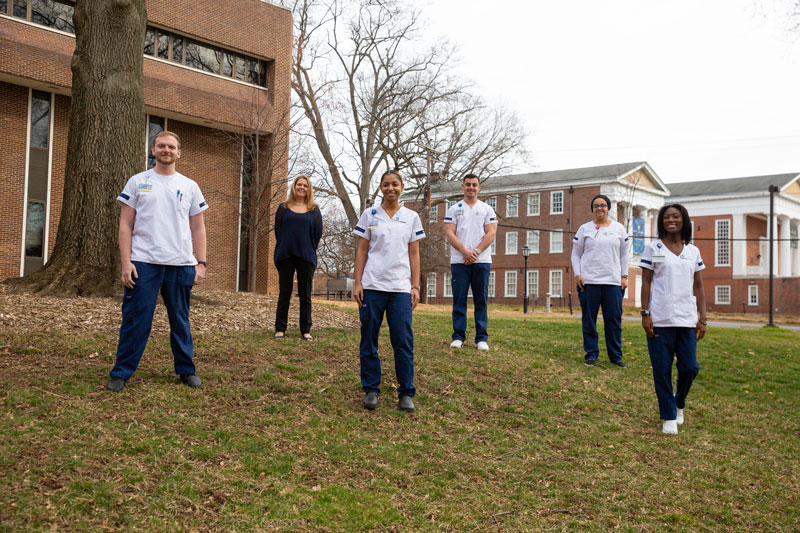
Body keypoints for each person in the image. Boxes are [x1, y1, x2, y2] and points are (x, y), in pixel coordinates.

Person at [106, 131, 208, 392]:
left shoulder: (190, 186)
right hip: (143, 263)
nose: (166, 150)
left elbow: (198, 228)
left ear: (179, 152)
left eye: (171, 147)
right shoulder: (138, 182)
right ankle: (121, 373)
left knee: (180, 321)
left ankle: (186, 370)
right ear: (153, 150)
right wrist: (126, 262)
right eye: (161, 146)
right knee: (136, 320)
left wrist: (201, 262)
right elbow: (125, 224)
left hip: (180, 264)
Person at [353, 170, 425, 412]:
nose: (390, 188)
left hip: (400, 289)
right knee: (369, 338)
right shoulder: (370, 215)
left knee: (403, 340)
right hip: (372, 286)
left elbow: (414, 253)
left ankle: (406, 392)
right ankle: (371, 389)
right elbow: (362, 251)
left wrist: (415, 286)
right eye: (386, 185)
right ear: (381, 188)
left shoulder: (411, 217)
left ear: (402, 187)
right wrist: (358, 282)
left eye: (395, 184)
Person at [640, 203, 706, 435]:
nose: (671, 220)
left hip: (687, 320)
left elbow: (698, 285)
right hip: (660, 319)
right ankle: (668, 416)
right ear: (661, 221)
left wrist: (703, 317)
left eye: (676, 216)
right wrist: (645, 313)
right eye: (666, 217)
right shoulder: (653, 248)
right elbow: (646, 281)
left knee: (690, 367)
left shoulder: (693, 251)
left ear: (684, 220)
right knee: (662, 370)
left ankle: (679, 401)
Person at [571, 194, 631, 367]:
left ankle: (616, 356)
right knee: (589, 320)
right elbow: (576, 253)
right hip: (589, 281)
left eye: (603, 205)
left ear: (608, 208)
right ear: (592, 209)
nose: (600, 208)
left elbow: (623, 254)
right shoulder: (584, 229)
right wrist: (578, 274)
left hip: (613, 282)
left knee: (613, 321)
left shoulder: (619, 229)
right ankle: (591, 354)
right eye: (596, 205)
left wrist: (624, 276)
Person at [443, 174, 497, 351]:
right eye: (468, 185)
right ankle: (458, 336)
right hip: (459, 261)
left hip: (482, 261)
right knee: (459, 299)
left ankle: (481, 338)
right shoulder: (454, 209)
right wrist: (465, 252)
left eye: (474, 185)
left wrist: (476, 252)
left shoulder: (487, 209)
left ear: (479, 187)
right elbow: (450, 233)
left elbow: (491, 233)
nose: (471, 188)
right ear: (462, 186)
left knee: (481, 300)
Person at [273, 176, 323, 341]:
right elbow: (278, 231)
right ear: (294, 187)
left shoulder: (314, 210)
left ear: (309, 189)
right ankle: (280, 328)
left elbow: (317, 234)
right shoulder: (283, 208)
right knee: (284, 293)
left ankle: (306, 330)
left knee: (305, 294)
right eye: (299, 184)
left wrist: (307, 247)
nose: (302, 187)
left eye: (305, 185)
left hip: (306, 256)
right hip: (285, 255)